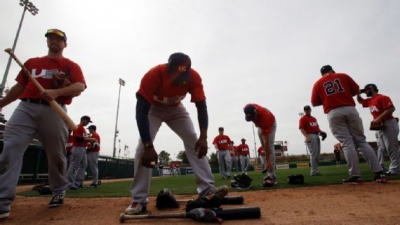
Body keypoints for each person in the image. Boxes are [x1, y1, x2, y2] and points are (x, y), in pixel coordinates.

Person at [124, 53, 228, 215]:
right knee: (142, 150)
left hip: (176, 110)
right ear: (168, 69)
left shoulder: (193, 77)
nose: (181, 79)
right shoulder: (153, 75)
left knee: (194, 140)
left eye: (184, 75)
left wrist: (204, 137)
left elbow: (201, 106)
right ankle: (139, 199)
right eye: (177, 75)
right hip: (153, 109)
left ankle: (207, 189)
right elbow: (140, 111)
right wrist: (148, 144)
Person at [0, 29, 86, 219]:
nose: (54, 41)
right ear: (47, 41)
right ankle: (2, 201)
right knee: (10, 148)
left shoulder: (69, 64)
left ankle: (58, 190)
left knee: (56, 154)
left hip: (55, 109)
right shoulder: (32, 63)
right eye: (51, 38)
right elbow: (20, 87)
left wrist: (55, 93)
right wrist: (1, 104)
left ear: (65, 44)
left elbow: (80, 86)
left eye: (59, 39)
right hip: (26, 107)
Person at [311, 65, 387, 184]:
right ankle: (379, 173)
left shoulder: (318, 83)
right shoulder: (343, 76)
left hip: (333, 112)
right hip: (350, 109)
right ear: (332, 70)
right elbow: (357, 91)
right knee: (361, 141)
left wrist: (328, 97)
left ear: (322, 74)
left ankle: (355, 175)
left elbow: (314, 103)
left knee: (347, 143)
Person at [357, 84, 400, 175]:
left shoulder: (382, 97)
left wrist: (378, 118)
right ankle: (388, 167)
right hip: (380, 126)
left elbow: (391, 109)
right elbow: (360, 101)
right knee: (382, 148)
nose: (365, 92)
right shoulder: (370, 100)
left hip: (388, 123)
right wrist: (358, 93)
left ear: (371, 89)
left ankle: (395, 169)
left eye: (366, 90)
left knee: (391, 147)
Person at [243, 103, 277, 181]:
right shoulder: (246, 108)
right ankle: (268, 166)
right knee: (264, 148)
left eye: (252, 117)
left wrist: (268, 160)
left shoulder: (265, 119)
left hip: (270, 124)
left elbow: (266, 142)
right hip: (260, 125)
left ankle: (272, 175)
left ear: (256, 112)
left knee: (269, 147)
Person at [67, 116, 95, 190]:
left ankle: (77, 183)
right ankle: (69, 184)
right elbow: (77, 138)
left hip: (82, 148)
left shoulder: (83, 128)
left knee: (83, 165)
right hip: (77, 147)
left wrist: (89, 139)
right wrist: (90, 139)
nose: (88, 123)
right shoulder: (78, 127)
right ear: (83, 120)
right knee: (74, 165)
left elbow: (84, 138)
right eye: (87, 121)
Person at [299, 105, 326, 176]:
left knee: (317, 154)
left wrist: (321, 132)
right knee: (314, 154)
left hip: (316, 135)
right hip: (310, 135)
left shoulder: (314, 118)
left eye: (308, 109)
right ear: (304, 111)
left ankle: (316, 170)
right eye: (306, 110)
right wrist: (307, 137)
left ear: (310, 110)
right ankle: (313, 171)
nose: (307, 111)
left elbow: (317, 127)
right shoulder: (303, 118)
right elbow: (301, 129)